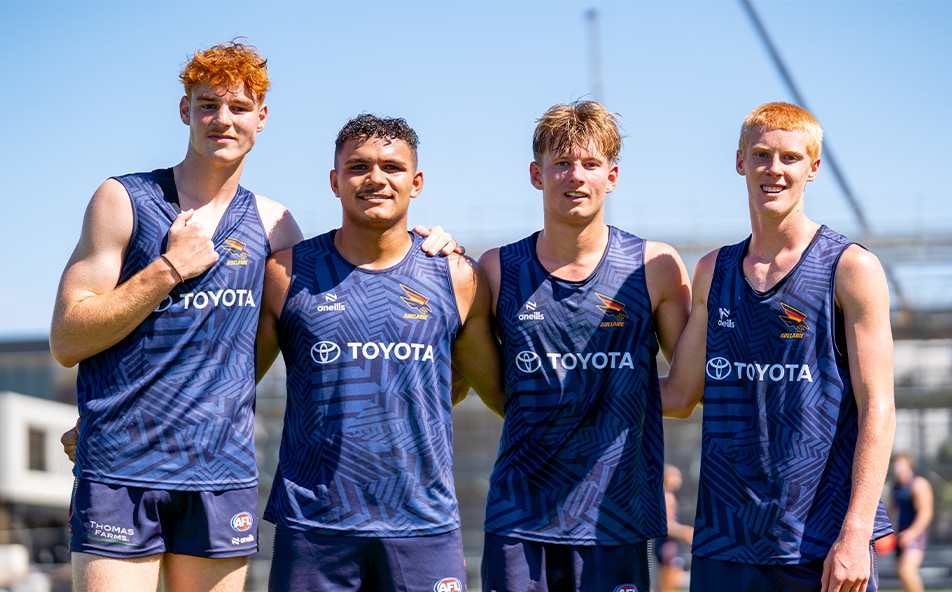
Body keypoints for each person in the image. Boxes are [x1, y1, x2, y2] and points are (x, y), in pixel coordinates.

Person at [50, 41, 459, 592]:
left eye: (239, 107)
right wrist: (169, 268)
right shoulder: (125, 198)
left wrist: (428, 242)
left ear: (261, 119)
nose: (223, 119)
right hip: (123, 463)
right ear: (184, 111)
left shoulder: (275, 227)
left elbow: (315, 318)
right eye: (208, 105)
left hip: (221, 471)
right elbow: (67, 338)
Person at [255, 114, 505, 592]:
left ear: (417, 182)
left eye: (392, 167)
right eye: (358, 167)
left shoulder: (456, 277)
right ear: (334, 181)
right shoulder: (284, 275)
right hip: (315, 527)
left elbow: (492, 391)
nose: (375, 179)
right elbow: (230, 385)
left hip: (423, 524)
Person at [663, 102, 896, 592]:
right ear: (739, 161)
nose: (774, 169)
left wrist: (856, 534)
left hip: (822, 542)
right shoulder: (713, 271)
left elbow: (879, 407)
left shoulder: (851, 268)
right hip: (724, 541)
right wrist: (582, 376)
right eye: (762, 155)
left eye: (790, 158)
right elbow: (680, 395)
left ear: (812, 168)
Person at [477, 100, 691, 592]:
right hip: (517, 516)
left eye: (590, 164)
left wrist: (610, 394)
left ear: (611, 176)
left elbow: (682, 395)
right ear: (537, 174)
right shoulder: (496, 269)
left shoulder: (654, 266)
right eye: (562, 163)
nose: (576, 176)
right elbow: (491, 387)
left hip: (613, 518)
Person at [889, 452, 934, 592]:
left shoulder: (918, 484)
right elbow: (891, 512)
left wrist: (912, 533)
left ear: (909, 464)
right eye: (894, 463)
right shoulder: (895, 487)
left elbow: (926, 512)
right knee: (902, 577)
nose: (896, 466)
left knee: (907, 571)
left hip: (915, 534)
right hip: (900, 534)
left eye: (900, 463)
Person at [655, 464, 694, 592]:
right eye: (675, 476)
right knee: (669, 583)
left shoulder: (667, 495)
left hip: (668, 543)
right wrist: (686, 532)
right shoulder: (667, 497)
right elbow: (667, 526)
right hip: (667, 544)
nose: (678, 480)